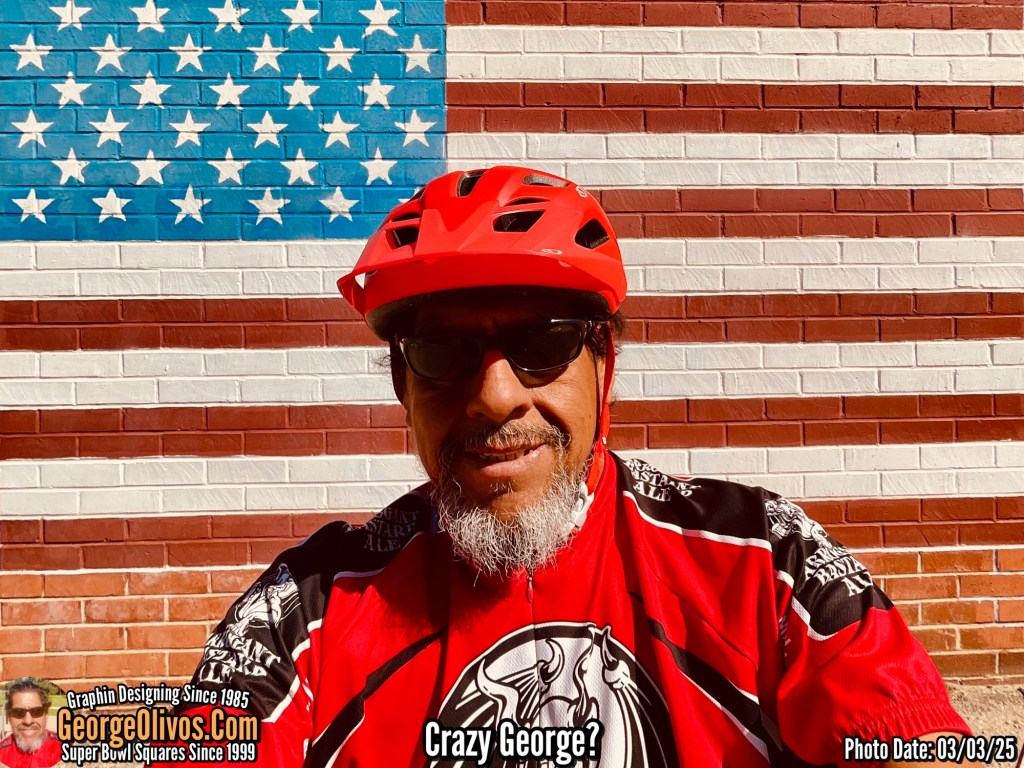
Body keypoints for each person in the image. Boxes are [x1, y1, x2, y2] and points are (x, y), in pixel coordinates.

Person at [177, 166, 974, 767]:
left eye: (543, 343)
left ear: (605, 367)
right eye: (443, 352)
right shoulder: (306, 612)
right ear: (403, 388)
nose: (494, 397)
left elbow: (915, 740)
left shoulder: (762, 561)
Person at [0, 679, 62, 768]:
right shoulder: (2, 753)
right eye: (18, 712)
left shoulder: (66, 749)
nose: (28, 721)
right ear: (9, 718)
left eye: (37, 711)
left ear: (46, 715)